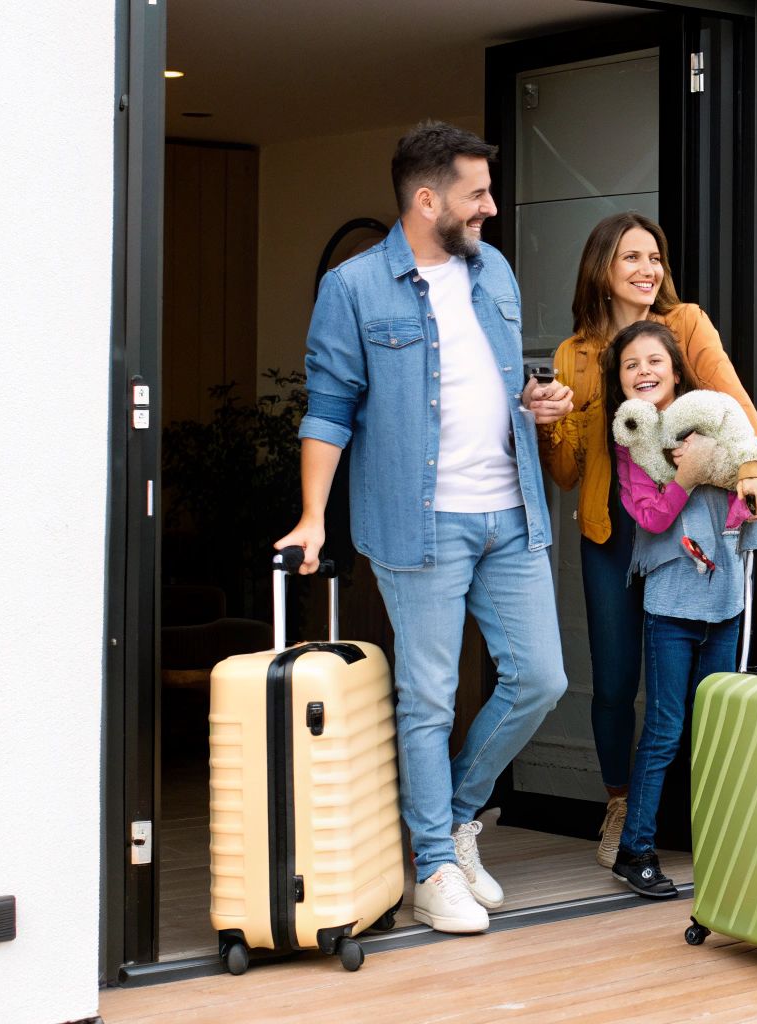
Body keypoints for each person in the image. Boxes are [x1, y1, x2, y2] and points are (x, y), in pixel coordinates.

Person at [274, 120, 575, 934]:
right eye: (477, 194)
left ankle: (452, 821)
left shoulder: (495, 273)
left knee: (540, 677)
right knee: (429, 698)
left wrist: (539, 402)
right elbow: (330, 411)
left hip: (511, 511)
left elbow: (501, 383)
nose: (491, 209)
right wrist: (311, 517)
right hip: (420, 522)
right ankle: (434, 868)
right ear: (427, 197)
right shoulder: (355, 288)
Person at [540, 213, 757, 870]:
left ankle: (705, 821)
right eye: (631, 258)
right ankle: (621, 808)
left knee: (697, 687)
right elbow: (564, 472)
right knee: (615, 682)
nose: (647, 270)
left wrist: (754, 471)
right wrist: (552, 424)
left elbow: (737, 411)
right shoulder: (573, 355)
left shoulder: (685, 327)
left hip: (684, 536)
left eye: (655, 258)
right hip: (613, 534)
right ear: (602, 269)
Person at [602, 320, 757, 897]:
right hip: (670, 605)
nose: (644, 371)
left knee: (717, 729)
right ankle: (636, 849)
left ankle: (718, 848)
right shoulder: (633, 447)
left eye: (655, 362)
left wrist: (740, 501)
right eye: (631, 365)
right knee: (666, 728)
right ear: (620, 381)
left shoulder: (716, 424)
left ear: (676, 371)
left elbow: (745, 502)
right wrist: (685, 477)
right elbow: (649, 518)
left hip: (723, 602)